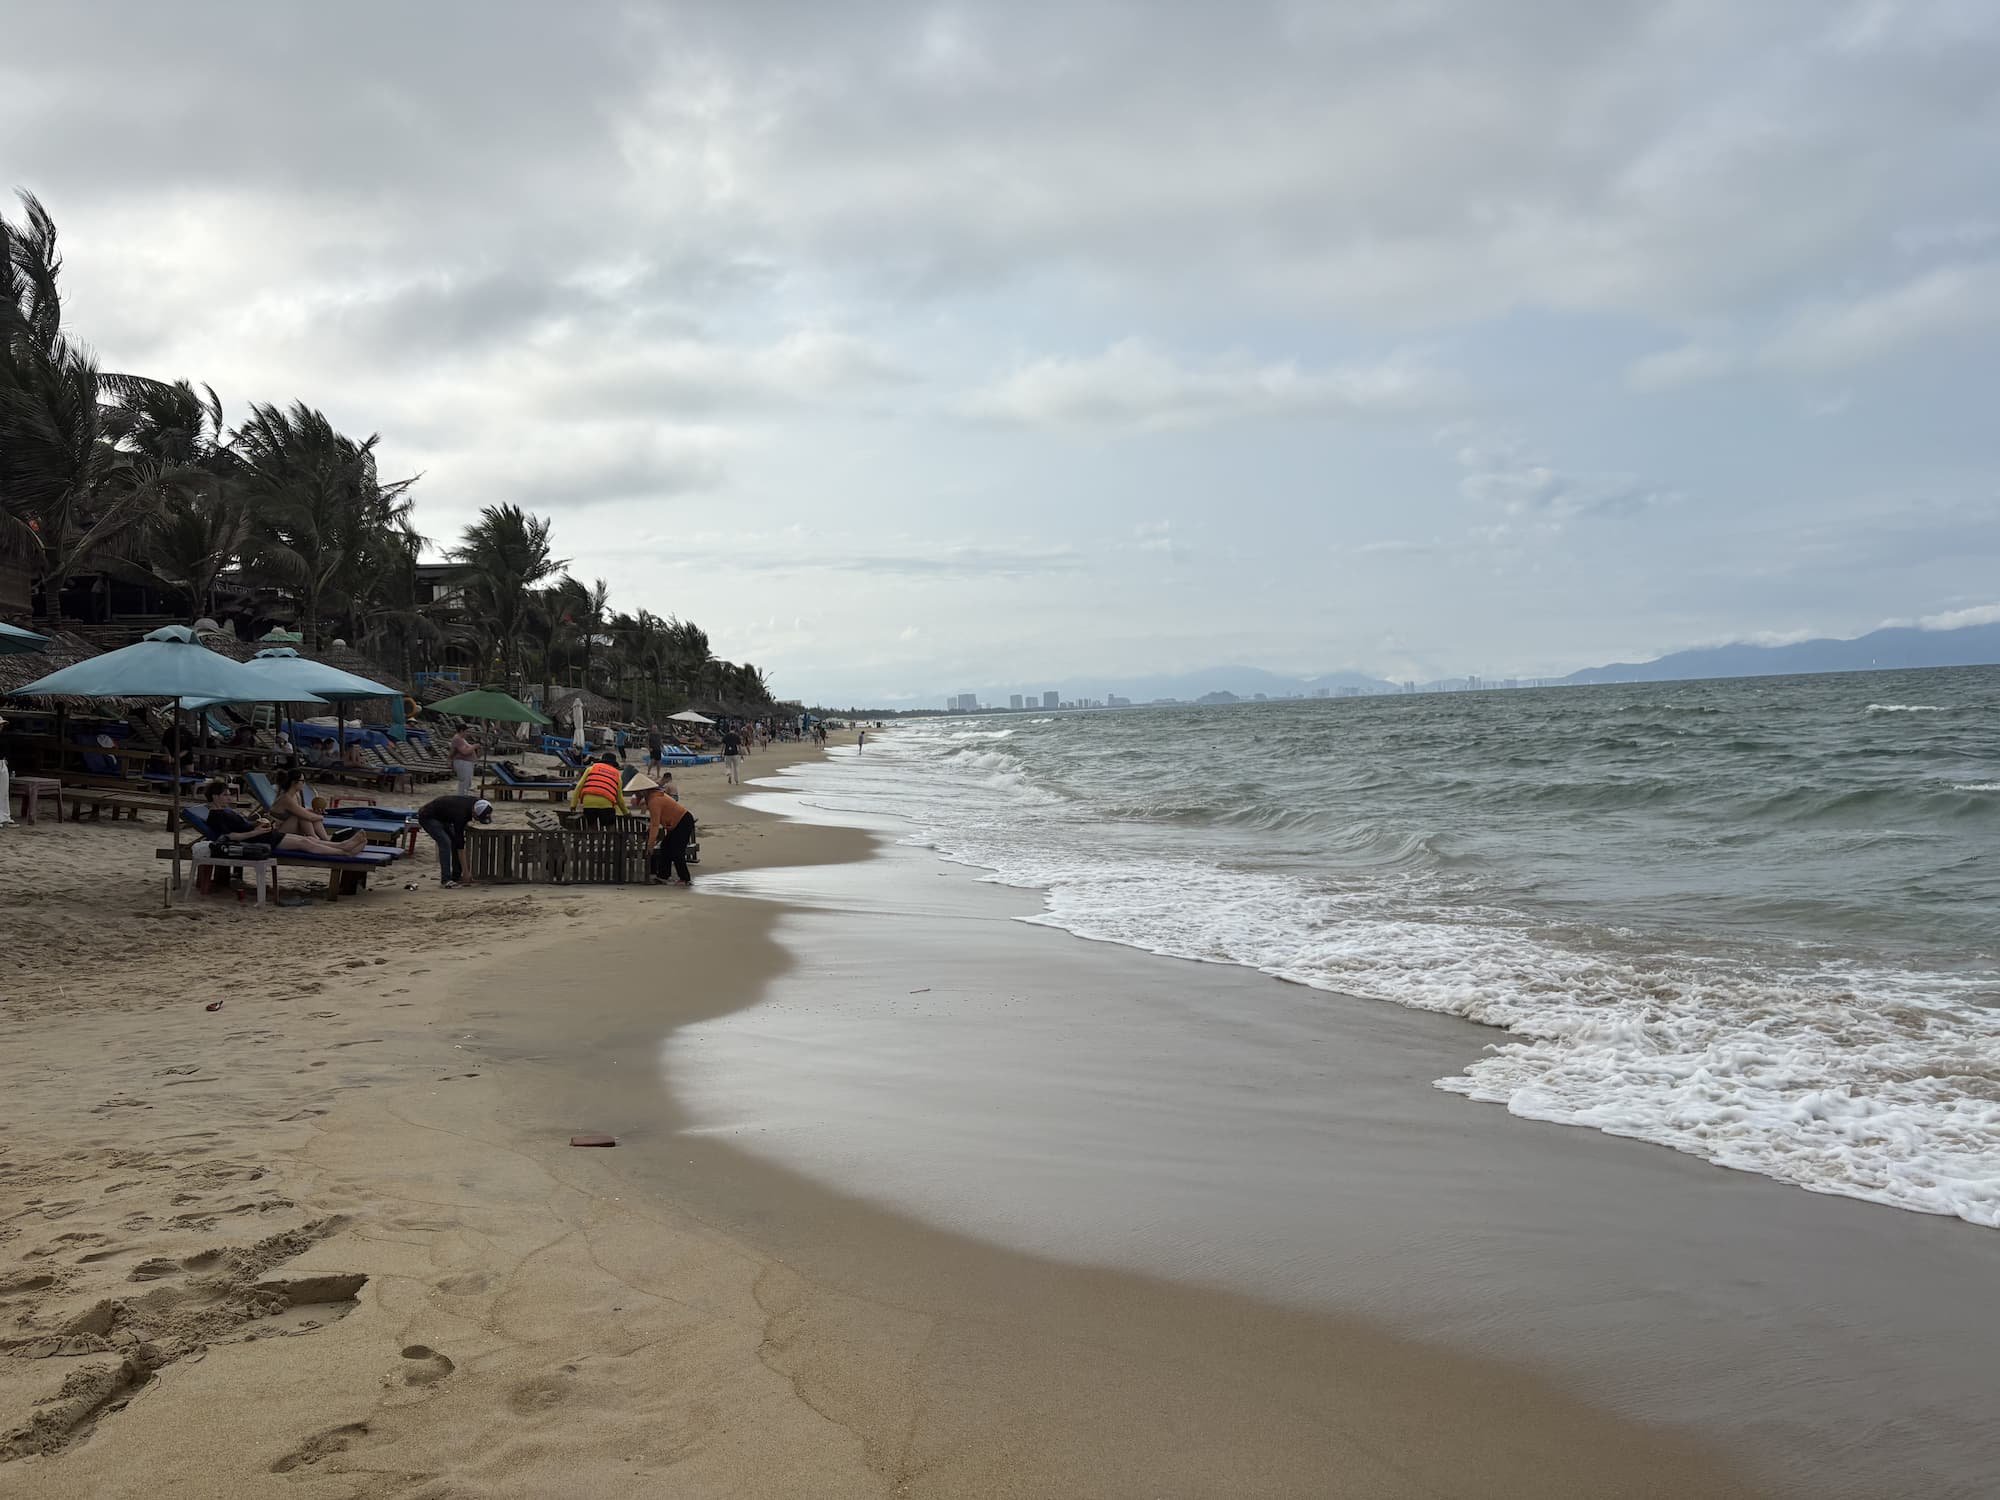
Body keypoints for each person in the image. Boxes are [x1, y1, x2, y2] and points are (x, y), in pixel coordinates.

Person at [198, 781, 370, 859]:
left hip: (262, 835)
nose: (229, 798)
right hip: (257, 841)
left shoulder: (225, 811)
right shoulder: (215, 815)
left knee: (308, 839)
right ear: (215, 796)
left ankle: (342, 845)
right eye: (225, 795)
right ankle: (344, 851)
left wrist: (260, 824)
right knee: (306, 844)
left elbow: (242, 826)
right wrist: (255, 831)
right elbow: (229, 836)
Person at [630, 774, 696, 886]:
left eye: (638, 792)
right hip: (676, 823)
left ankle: (685, 879)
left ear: (644, 791)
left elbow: (655, 824)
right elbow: (653, 819)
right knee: (665, 847)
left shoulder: (654, 800)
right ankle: (663, 876)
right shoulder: (651, 797)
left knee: (676, 851)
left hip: (683, 821)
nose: (636, 795)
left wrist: (650, 845)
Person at [417, 792, 493, 889]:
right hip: (428, 817)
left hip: (445, 817)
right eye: (478, 818)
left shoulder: (478, 802)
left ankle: (456, 876)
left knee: (453, 841)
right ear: (474, 812)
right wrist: (466, 872)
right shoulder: (461, 814)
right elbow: (460, 844)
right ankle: (446, 880)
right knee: (445, 843)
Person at [270, 767, 333, 841]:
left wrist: (314, 811)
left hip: (286, 826)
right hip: (277, 832)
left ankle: (325, 839)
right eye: (302, 781)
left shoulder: (295, 795)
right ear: (294, 782)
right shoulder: (287, 799)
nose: (304, 783)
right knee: (302, 816)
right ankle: (314, 838)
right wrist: (322, 817)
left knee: (308, 815)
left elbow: (301, 810)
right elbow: (308, 817)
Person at [568, 751, 628, 826]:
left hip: (588, 804)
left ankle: (593, 837)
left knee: (592, 827)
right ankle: (610, 837)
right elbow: (619, 798)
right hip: (606, 804)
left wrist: (573, 805)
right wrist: (626, 813)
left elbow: (579, 786)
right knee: (610, 828)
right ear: (613, 764)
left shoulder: (591, 768)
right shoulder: (616, 774)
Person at [449, 725, 479, 796]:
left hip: (467, 763)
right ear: (462, 731)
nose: (467, 733)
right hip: (462, 763)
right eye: (466, 731)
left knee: (467, 781)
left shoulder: (462, 739)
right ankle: (462, 796)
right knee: (464, 781)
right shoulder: (458, 739)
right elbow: (464, 752)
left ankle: (464, 795)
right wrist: (474, 746)